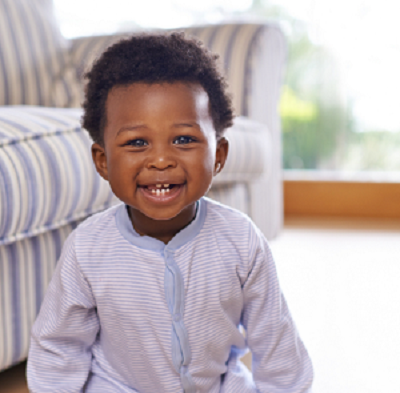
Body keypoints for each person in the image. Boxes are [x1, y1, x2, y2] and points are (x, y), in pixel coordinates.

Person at [27, 33, 313, 392]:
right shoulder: (88, 249)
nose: (161, 160)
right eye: (136, 142)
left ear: (219, 155)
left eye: (183, 140)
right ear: (103, 161)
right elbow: (59, 344)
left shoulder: (241, 240)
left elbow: (275, 338)